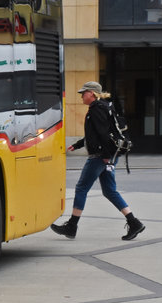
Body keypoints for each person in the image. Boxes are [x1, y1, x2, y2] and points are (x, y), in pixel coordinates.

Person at [51, 81, 146, 241]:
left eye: (84, 93)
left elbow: (102, 134)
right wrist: (78, 144)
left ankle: (72, 226)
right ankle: (134, 222)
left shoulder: (97, 109)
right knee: (109, 191)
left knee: (81, 188)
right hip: (108, 155)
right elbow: (97, 132)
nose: (81, 96)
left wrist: (106, 156)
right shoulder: (104, 106)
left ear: (92, 93)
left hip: (101, 156)